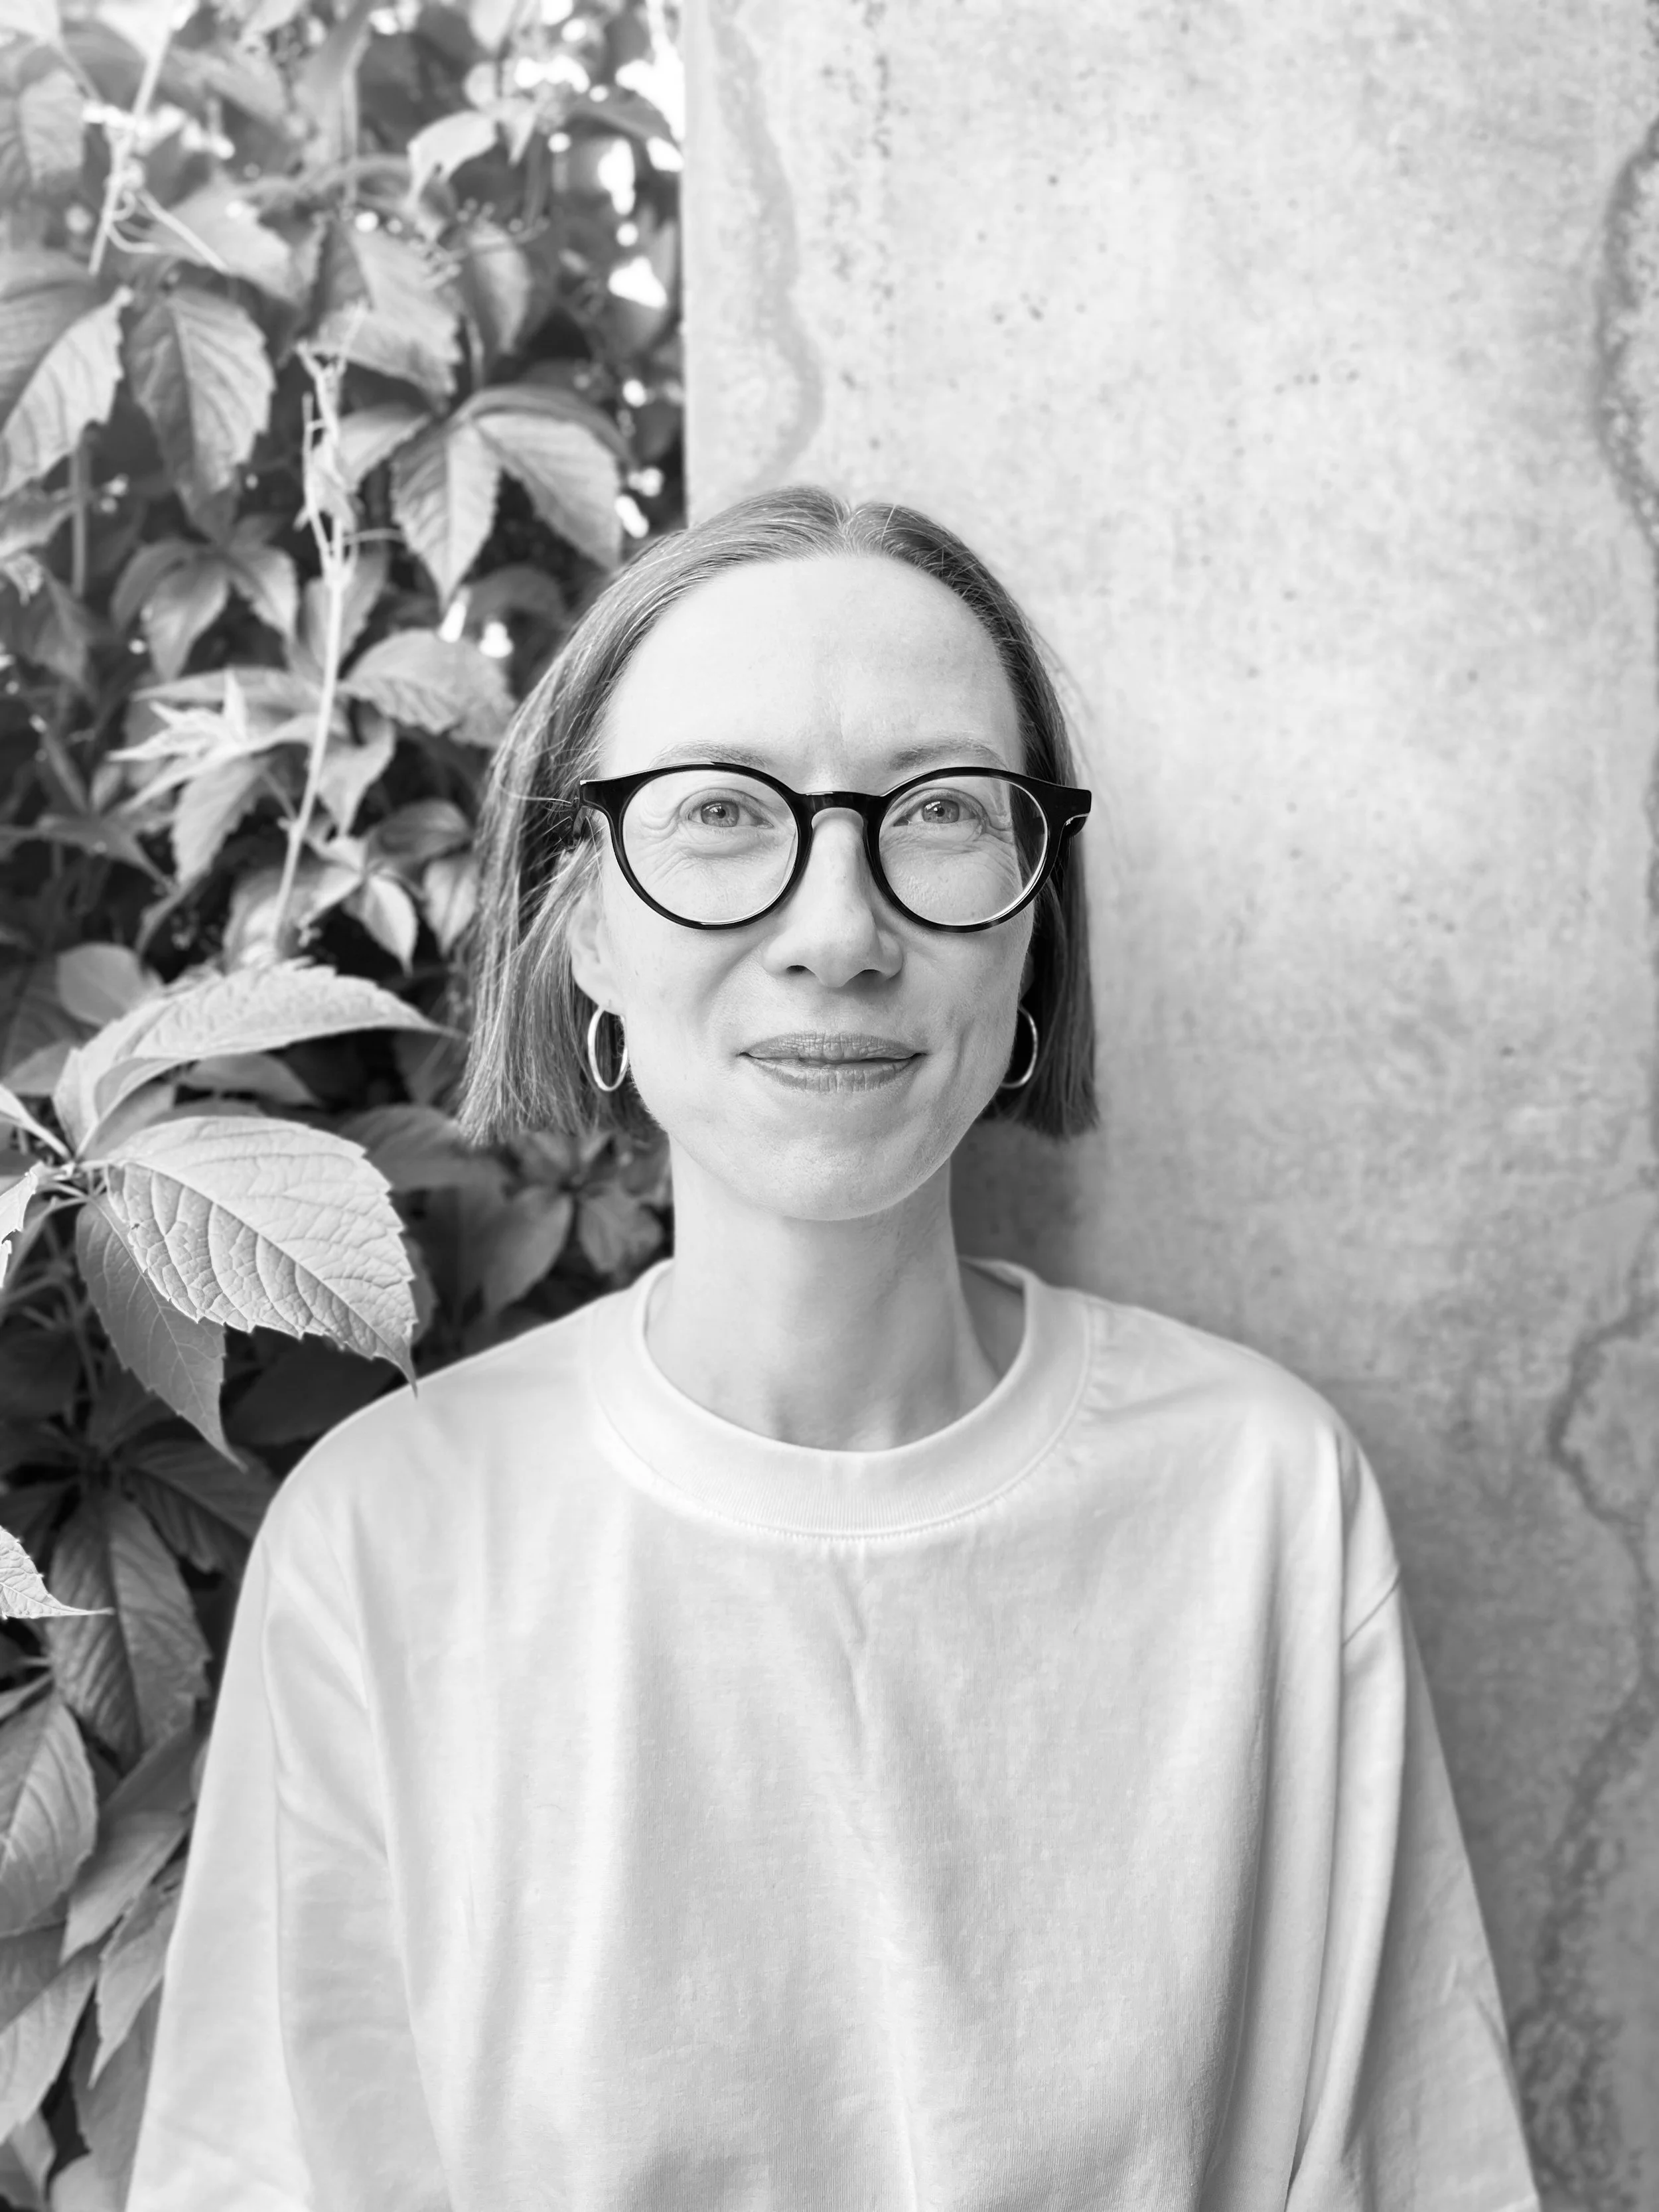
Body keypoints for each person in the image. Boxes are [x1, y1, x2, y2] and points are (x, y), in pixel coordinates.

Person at [129, 488, 1540, 2211]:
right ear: (582, 919)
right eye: (721, 811)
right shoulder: (393, 1538)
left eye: (939, 812)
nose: (837, 925)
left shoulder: (1260, 1499)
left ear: (1033, 918)